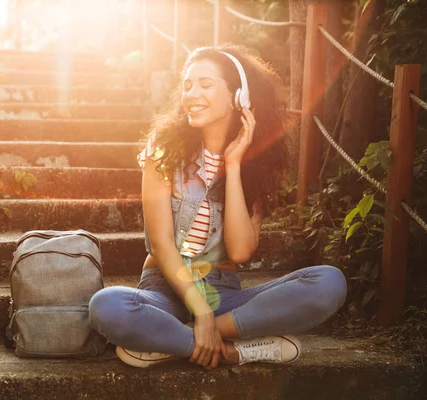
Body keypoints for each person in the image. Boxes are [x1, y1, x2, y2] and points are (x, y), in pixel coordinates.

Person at [89, 45, 347, 370]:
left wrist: (235, 165)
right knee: (106, 306)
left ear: (237, 96)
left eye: (206, 84)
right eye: (187, 85)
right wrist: (201, 311)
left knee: (329, 283)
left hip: (224, 295)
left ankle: (177, 341)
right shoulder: (163, 148)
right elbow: (161, 244)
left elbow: (240, 252)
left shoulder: (257, 161)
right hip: (164, 290)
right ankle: (237, 351)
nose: (191, 94)